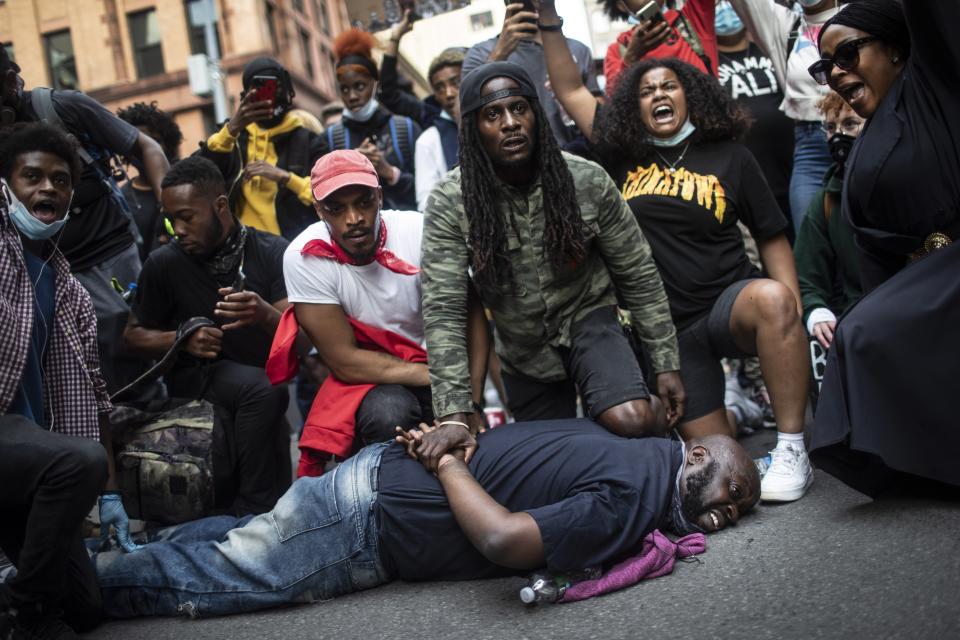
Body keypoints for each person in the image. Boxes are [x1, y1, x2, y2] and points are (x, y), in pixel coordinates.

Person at [538, 0, 813, 502]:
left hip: (730, 302)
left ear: (691, 96)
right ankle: (738, 414)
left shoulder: (730, 156)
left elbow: (772, 235)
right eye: (646, 90)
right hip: (669, 333)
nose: (659, 95)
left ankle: (793, 448)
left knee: (773, 300)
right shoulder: (621, 156)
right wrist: (547, 14)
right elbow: (571, 87)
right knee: (724, 472)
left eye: (669, 86)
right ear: (633, 105)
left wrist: (789, 312)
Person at [93, 418, 760, 619]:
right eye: (734, 487)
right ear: (697, 454)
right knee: (208, 579)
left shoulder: (620, 446)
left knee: (240, 540)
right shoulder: (637, 495)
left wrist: (455, 436)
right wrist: (447, 463)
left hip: (372, 480)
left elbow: (509, 448)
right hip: (368, 522)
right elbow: (505, 540)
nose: (731, 507)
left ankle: (116, 548)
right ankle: (64, 584)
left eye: (742, 508)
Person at [422, 62, 684, 441]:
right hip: (522, 351)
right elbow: (444, 310)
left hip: (590, 319)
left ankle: (646, 413)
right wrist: (455, 411)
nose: (510, 122)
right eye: (492, 114)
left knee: (630, 419)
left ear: (536, 115)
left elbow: (639, 274)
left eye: (519, 108)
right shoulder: (451, 201)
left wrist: (665, 365)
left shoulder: (587, 179)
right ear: (474, 129)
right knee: (552, 462)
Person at [807, 0, 960, 496]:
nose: (836, 72)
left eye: (848, 53)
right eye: (826, 66)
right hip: (926, 287)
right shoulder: (866, 143)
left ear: (894, 47)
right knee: (865, 334)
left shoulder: (936, 79)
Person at [0, 123, 142, 639]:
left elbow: (96, 400)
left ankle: (22, 594)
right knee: (75, 460)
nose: (47, 189)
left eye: (60, 180)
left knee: (86, 610)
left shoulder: (71, 291)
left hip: (28, 468)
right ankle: (25, 610)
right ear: (6, 184)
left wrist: (109, 495)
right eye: (31, 176)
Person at [272, 150, 487, 476]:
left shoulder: (420, 231)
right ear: (318, 210)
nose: (354, 218)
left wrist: (469, 402)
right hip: (378, 378)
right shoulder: (303, 258)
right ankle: (389, 501)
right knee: (387, 415)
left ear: (380, 197)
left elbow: (472, 319)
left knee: (476, 454)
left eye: (363, 202)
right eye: (336, 208)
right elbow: (345, 361)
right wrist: (440, 377)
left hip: (446, 364)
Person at [122, 157, 292, 515]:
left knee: (281, 491)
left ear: (219, 206)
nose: (177, 229)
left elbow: (303, 340)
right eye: (171, 219)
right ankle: (252, 512)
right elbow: (132, 336)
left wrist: (264, 315)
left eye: (188, 217)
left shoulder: (270, 251)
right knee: (262, 391)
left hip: (264, 396)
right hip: (201, 391)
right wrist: (181, 338)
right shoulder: (164, 263)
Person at [0, 46, 169, 396]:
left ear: (12, 80)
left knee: (133, 351)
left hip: (111, 258)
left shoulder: (61, 107)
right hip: (37, 268)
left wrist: (171, 213)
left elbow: (147, 148)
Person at [730, 0, 841, 234]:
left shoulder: (862, 14)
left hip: (864, 134)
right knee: (810, 241)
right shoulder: (785, 27)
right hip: (811, 150)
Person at [198, 57, 325, 241]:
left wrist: (285, 177)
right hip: (244, 247)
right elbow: (201, 173)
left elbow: (327, 194)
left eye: (275, 87)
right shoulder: (233, 136)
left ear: (287, 89)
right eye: (260, 89)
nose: (270, 97)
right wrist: (232, 129)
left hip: (294, 246)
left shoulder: (308, 140)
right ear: (247, 94)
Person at [462, 3, 600, 147]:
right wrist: (499, 55)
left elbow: (599, 117)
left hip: (576, 152)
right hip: (514, 156)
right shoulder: (479, 54)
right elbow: (466, 121)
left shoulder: (577, 49)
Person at [714, 0, 793, 231]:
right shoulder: (710, 62)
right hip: (753, 174)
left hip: (795, 162)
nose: (725, 10)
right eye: (717, 4)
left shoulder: (769, 48)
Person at [794, 90, 862, 351]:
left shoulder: (907, 183)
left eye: (850, 124)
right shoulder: (826, 200)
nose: (838, 136)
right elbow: (806, 276)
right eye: (831, 127)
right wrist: (816, 311)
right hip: (859, 321)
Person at [326, 29, 421, 211]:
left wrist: (389, 172)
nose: (352, 96)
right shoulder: (331, 138)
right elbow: (326, 199)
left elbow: (429, 188)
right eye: (344, 89)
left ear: (374, 83)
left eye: (359, 86)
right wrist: (350, 165)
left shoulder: (405, 128)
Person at [602, 0, 718, 94]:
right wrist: (631, 57)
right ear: (621, 5)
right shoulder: (617, 50)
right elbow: (614, 100)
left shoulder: (692, 18)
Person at [117, 102, 183, 260]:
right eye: (137, 143)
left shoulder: (186, 189)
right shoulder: (119, 200)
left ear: (168, 144)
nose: (147, 149)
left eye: (155, 141)